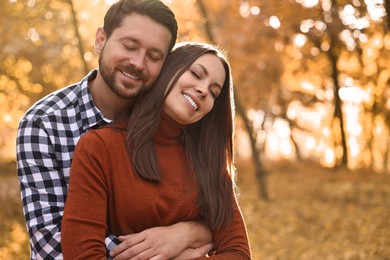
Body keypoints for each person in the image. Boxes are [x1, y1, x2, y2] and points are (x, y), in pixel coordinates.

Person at [16, 1, 213, 259]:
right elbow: (53, 244)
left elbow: (219, 219)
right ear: (101, 40)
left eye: (154, 57)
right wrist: (164, 253)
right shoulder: (43, 124)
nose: (138, 63)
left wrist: (188, 233)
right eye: (129, 46)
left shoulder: (170, 125)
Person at [61, 42, 252, 259]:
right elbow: (82, 255)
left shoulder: (209, 163)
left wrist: (186, 234)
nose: (203, 90)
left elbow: (239, 254)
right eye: (197, 74)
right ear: (168, 70)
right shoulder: (99, 148)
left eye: (213, 92)